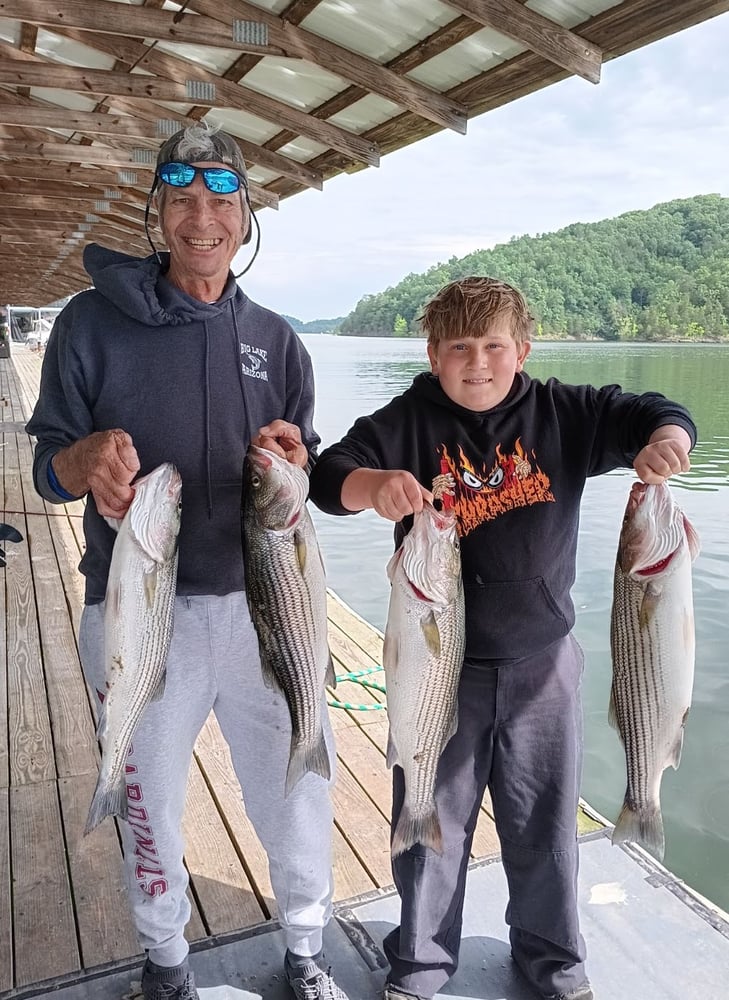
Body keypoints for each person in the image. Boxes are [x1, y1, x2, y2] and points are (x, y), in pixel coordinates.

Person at [26, 122, 349, 1000]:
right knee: (148, 805)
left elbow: (302, 455)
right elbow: (44, 463)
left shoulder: (279, 340)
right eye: (182, 201)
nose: (200, 219)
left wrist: (293, 456)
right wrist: (80, 462)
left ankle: (306, 948)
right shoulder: (89, 325)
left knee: (294, 793)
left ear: (246, 219)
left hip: (263, 615)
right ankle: (165, 965)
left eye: (219, 202)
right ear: (157, 213)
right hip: (137, 614)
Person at [307, 276, 696, 1000]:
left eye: (493, 346)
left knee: (544, 828)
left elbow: (652, 413)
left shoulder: (564, 413)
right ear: (431, 353)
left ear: (522, 348)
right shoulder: (408, 422)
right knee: (432, 827)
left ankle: (552, 960)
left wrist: (668, 440)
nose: (476, 362)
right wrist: (372, 485)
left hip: (543, 665)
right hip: (437, 673)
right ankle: (419, 966)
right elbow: (328, 478)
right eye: (458, 347)